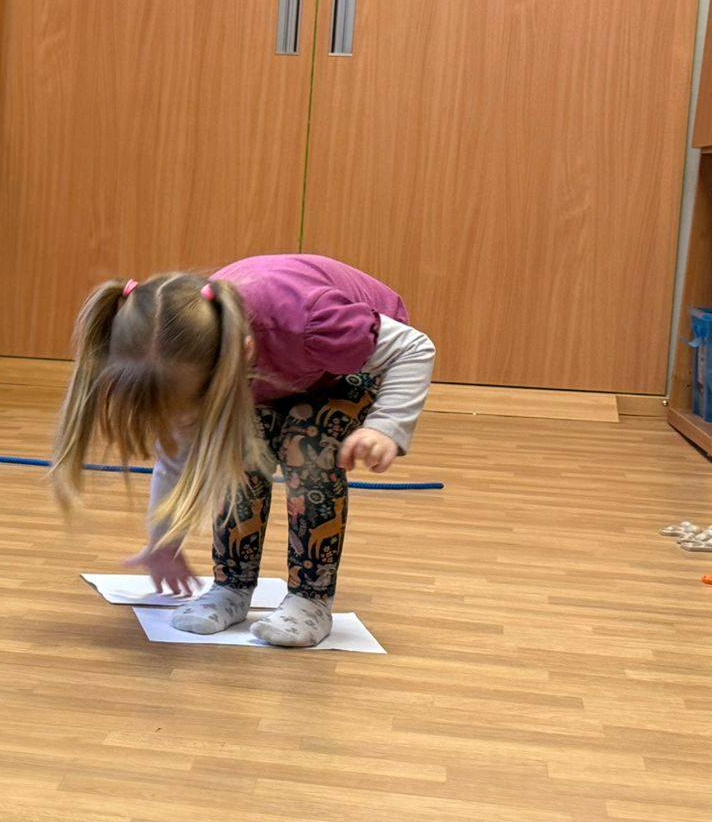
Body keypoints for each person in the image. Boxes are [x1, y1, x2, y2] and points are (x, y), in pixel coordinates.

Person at [51, 256, 435, 648]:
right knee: (237, 447)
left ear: (243, 353)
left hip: (355, 363)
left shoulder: (311, 321)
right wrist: (163, 545)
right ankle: (231, 585)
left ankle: (311, 599)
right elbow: (176, 457)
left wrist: (385, 426)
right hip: (285, 368)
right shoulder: (197, 347)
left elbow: (414, 348)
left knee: (307, 442)